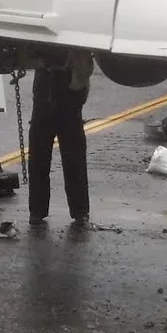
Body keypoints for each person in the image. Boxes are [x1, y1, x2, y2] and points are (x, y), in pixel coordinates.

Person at [28, 50, 94, 226]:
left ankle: (77, 211)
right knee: (41, 158)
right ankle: (39, 211)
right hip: (52, 99)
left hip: (63, 99)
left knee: (71, 158)